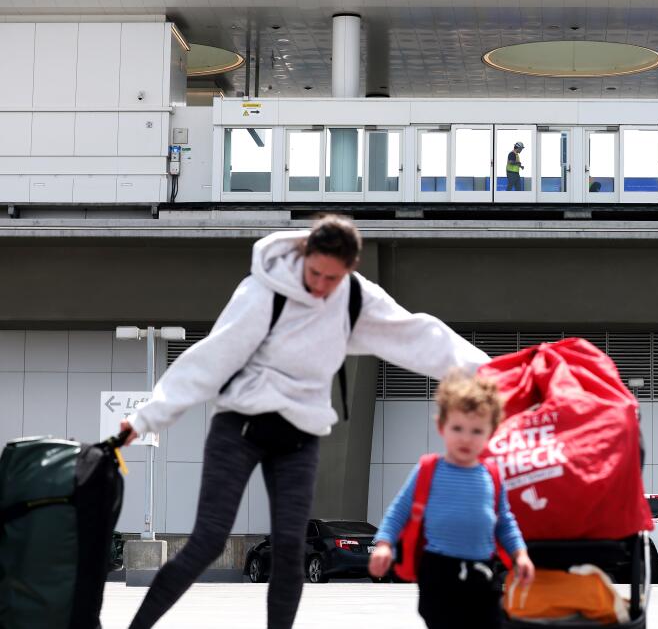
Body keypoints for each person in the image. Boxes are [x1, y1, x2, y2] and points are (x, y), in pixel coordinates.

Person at [121, 215, 489, 629]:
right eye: (315, 273)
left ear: (350, 269)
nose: (321, 286)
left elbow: (420, 336)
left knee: (290, 552)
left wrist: (492, 373)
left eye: (333, 278)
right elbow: (210, 357)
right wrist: (146, 417)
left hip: (298, 438)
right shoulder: (264, 291)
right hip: (240, 428)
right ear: (303, 254)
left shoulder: (354, 298)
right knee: (207, 540)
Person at [368, 372, 535, 629]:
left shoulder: (491, 475)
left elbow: (504, 522)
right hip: (438, 569)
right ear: (441, 426)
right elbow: (398, 511)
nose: (466, 438)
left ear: (491, 433)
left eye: (476, 431)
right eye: (457, 428)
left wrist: (520, 554)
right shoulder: (429, 469)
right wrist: (384, 545)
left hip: (482, 569)